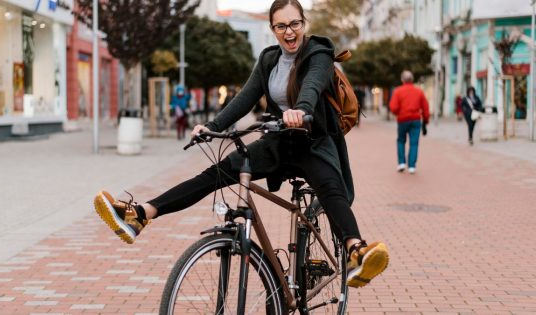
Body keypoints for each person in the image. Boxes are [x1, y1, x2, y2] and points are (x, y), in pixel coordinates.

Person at [93, 0, 389, 288]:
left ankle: (355, 251)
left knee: (329, 188)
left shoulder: (319, 52)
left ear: (304, 23)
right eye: (281, 26)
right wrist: (211, 127)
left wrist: (301, 110)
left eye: (294, 24)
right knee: (214, 174)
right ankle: (141, 214)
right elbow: (245, 98)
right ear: (273, 28)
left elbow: (312, 84)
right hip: (277, 141)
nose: (289, 32)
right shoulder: (269, 59)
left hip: (312, 141)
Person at [389, 70, 430, 174]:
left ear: (402, 79)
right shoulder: (419, 91)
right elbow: (425, 107)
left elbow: (393, 107)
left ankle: (401, 163)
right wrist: (426, 120)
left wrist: (399, 113)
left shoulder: (398, 91)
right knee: (414, 143)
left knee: (401, 140)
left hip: (403, 119)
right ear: (412, 80)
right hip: (416, 120)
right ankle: (412, 166)